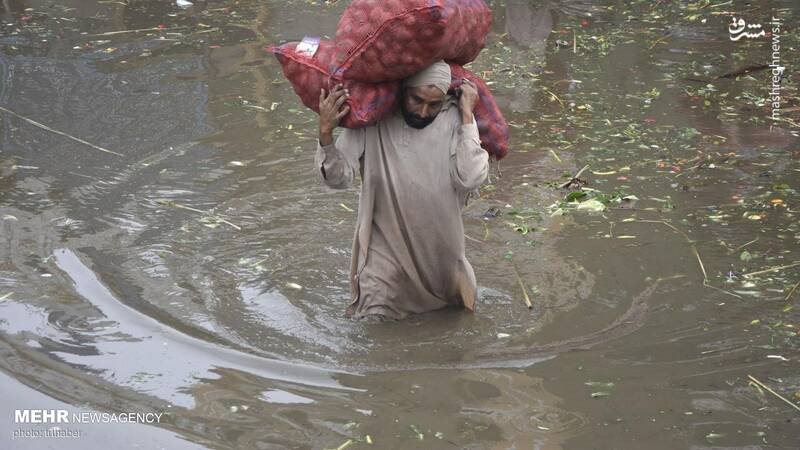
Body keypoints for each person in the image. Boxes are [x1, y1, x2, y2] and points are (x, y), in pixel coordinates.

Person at [314, 61, 489, 321]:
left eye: (433, 105)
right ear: (402, 92)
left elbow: (471, 178)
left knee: (455, 318)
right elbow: (338, 180)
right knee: (374, 319)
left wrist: (466, 116)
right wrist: (326, 133)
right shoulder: (372, 118)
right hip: (385, 250)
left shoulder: (455, 119)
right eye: (416, 100)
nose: (422, 111)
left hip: (440, 250)